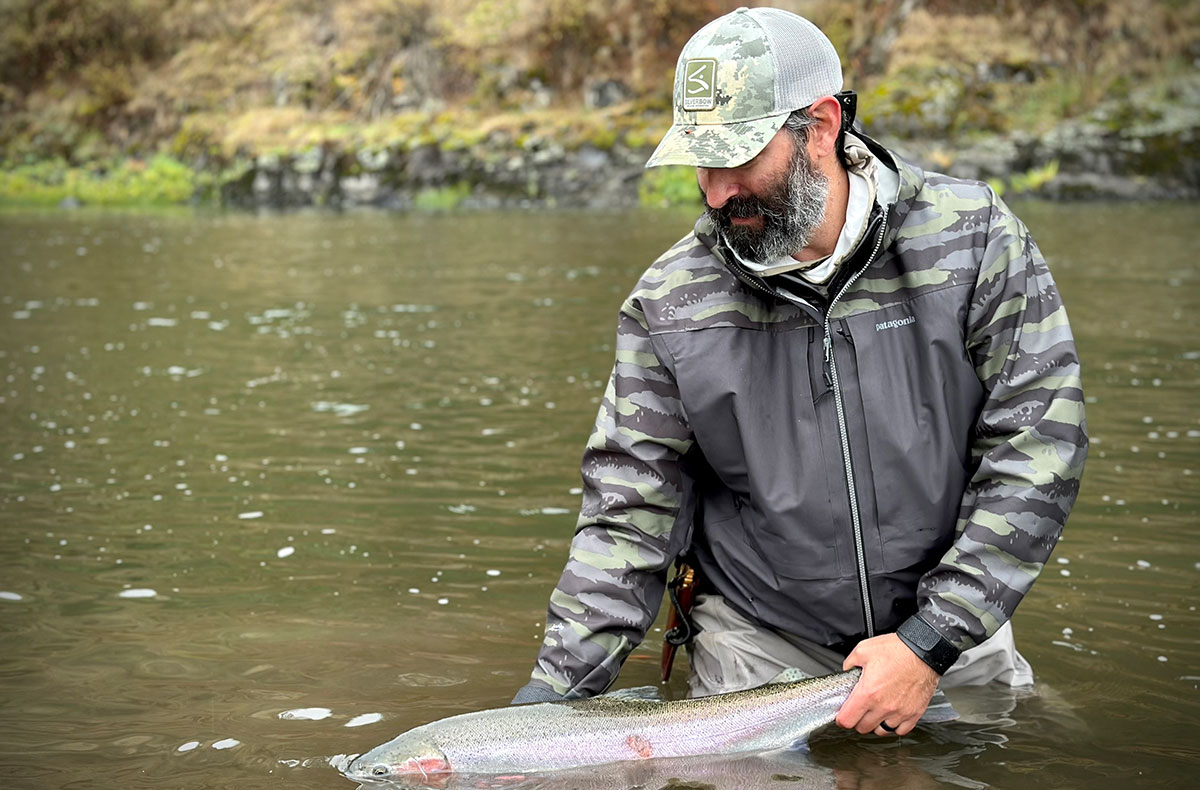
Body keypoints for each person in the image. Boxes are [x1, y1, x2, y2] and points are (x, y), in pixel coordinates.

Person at [512, 6, 1087, 739]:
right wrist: (544, 712)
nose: (716, 192)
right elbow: (628, 517)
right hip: (756, 641)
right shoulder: (667, 303)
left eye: (738, 158)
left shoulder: (974, 242)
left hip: (948, 629)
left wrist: (931, 640)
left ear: (820, 126)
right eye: (701, 162)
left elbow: (1038, 449)